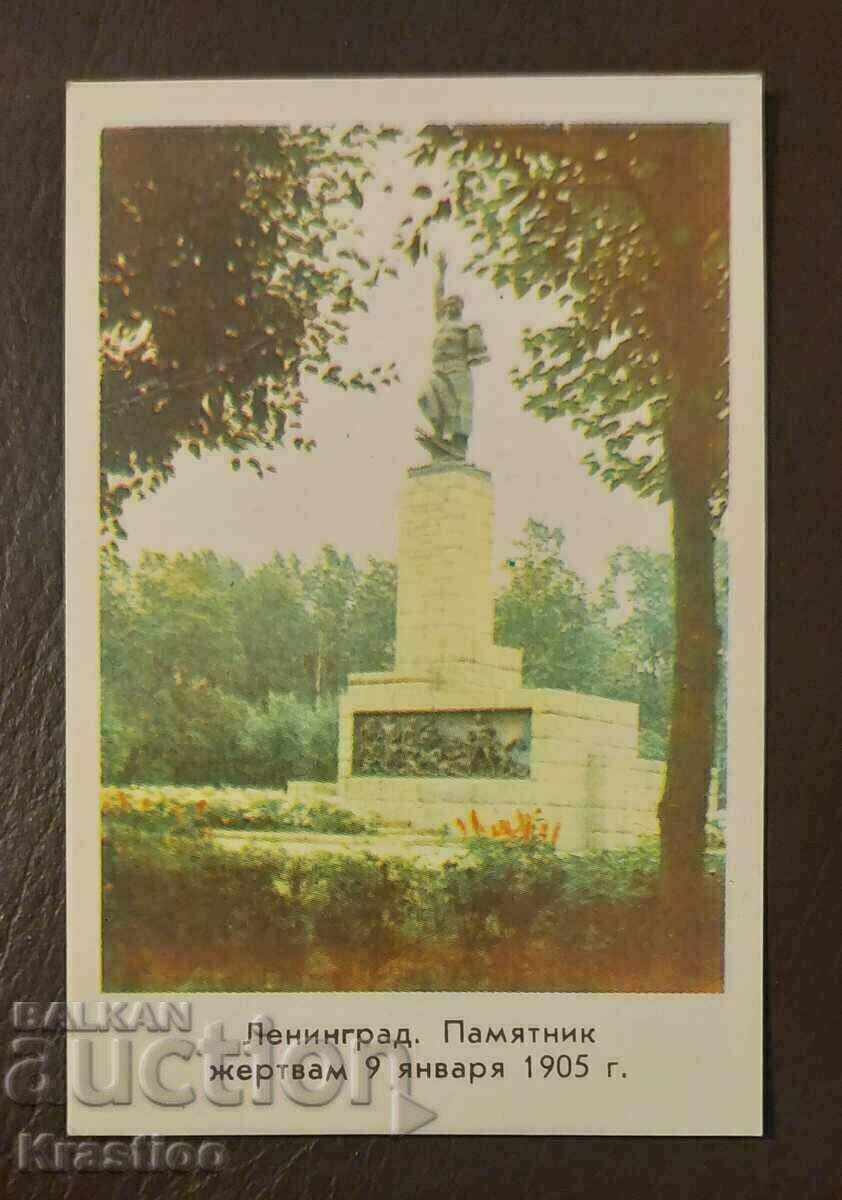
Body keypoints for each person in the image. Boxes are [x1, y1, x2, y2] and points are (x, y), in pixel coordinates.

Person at [416, 253, 488, 460]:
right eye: (447, 304)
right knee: (425, 398)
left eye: (454, 304)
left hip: (458, 371)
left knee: (459, 408)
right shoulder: (442, 322)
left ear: (460, 307)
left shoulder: (466, 328)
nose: (449, 306)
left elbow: (477, 353)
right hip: (439, 370)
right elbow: (437, 294)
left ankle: (457, 446)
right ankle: (440, 436)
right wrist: (441, 272)